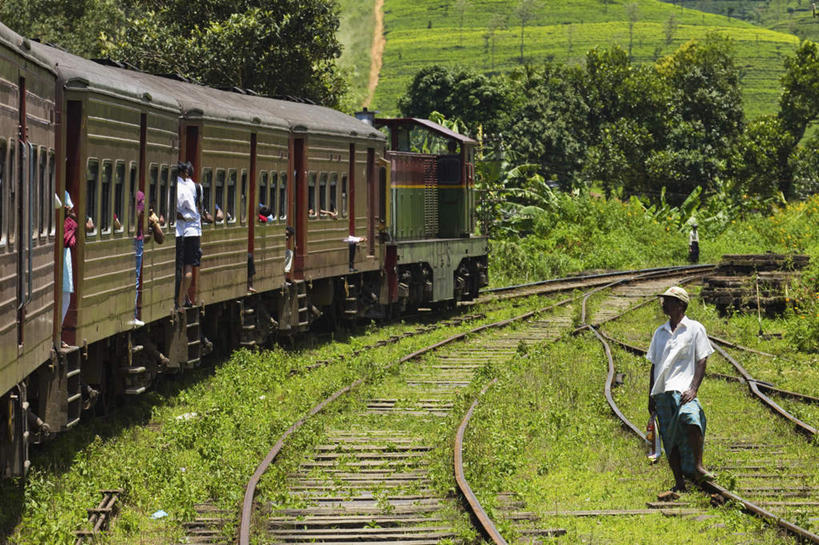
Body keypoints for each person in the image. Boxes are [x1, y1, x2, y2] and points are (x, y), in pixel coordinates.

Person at [647, 286, 714, 500]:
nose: (663, 304)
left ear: (680, 305)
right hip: (663, 391)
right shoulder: (660, 332)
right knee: (670, 437)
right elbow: (654, 365)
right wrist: (650, 395)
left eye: (668, 300)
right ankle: (679, 482)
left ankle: (698, 465)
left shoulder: (695, 329)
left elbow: (702, 359)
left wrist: (694, 387)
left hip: (684, 388)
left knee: (692, 418)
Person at [175, 162, 201, 309]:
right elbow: (195, 211)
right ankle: (183, 298)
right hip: (191, 230)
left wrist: (177, 215)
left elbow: (186, 212)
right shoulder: (191, 187)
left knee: (182, 267)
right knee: (188, 266)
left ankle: (181, 298)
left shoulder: (181, 187)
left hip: (183, 230)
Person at [61, 191, 78, 348]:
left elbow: (74, 215)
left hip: (63, 250)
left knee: (66, 293)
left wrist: (67, 212)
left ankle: (58, 331)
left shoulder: (65, 194)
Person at [130, 190, 146, 327]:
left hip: (128, 238)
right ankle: (133, 315)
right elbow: (137, 215)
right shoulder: (139, 195)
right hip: (137, 240)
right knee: (135, 278)